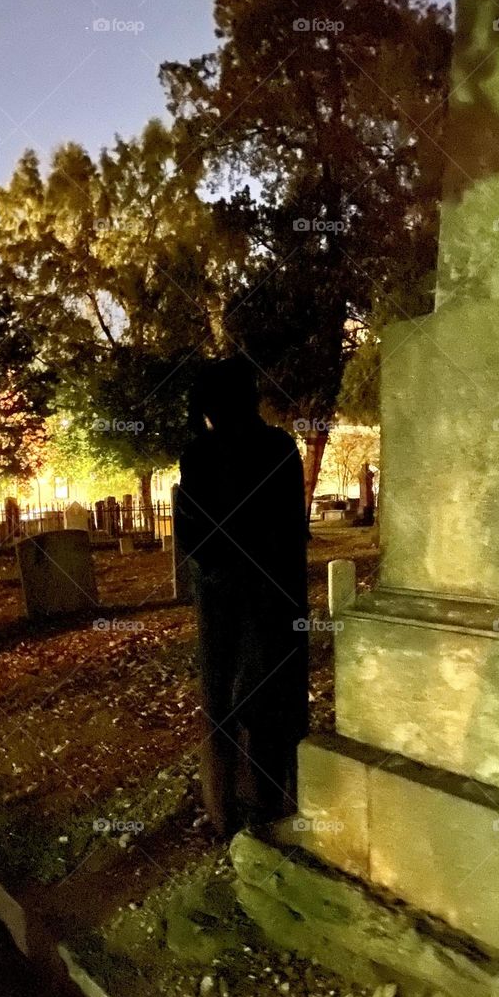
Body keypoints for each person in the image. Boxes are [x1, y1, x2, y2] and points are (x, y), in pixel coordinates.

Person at [175, 358, 309, 836]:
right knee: (271, 700)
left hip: (227, 597)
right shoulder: (279, 449)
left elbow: (197, 536)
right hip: (274, 595)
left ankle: (227, 810)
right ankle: (269, 806)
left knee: (225, 700)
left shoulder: (199, 456)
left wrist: (222, 567)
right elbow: (293, 530)